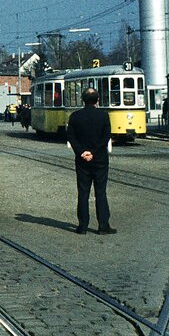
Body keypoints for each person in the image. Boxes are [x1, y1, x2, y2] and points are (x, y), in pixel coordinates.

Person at [66, 87, 114, 235]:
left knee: (83, 192)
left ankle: (82, 226)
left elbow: (71, 137)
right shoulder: (103, 116)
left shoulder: (75, 116)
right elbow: (106, 137)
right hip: (100, 160)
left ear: (83, 100)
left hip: (82, 161)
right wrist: (93, 152)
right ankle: (103, 226)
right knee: (100, 192)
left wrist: (83, 152)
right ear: (97, 100)